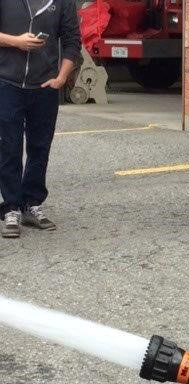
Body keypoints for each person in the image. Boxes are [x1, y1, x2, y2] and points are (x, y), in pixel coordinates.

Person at [0, 0, 81, 239]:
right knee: (9, 145)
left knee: (40, 146)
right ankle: (12, 207)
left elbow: (72, 41)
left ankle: (31, 203)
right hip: (7, 82)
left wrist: (61, 78)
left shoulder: (63, 2)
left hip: (45, 85)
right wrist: (16, 41)